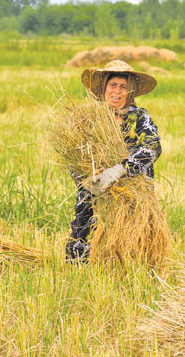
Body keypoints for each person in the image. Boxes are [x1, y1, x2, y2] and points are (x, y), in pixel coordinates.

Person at [66, 60, 161, 261]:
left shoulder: (140, 118)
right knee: (81, 246)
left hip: (133, 198)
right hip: (93, 194)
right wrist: (88, 180)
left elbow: (152, 148)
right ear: (103, 88)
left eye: (123, 86)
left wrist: (118, 170)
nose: (117, 91)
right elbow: (73, 155)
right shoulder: (89, 118)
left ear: (131, 92)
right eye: (113, 85)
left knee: (134, 250)